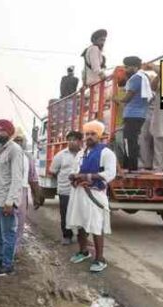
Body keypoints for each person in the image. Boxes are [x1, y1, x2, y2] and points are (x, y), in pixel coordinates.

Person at [66, 120, 117, 273]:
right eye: (87, 134)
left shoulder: (106, 153)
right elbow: (74, 169)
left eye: (93, 134)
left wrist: (86, 176)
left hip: (95, 194)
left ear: (99, 136)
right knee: (80, 224)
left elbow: (110, 174)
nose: (89, 137)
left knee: (96, 226)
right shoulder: (82, 153)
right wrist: (74, 178)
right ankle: (83, 251)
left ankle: (100, 259)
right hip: (79, 194)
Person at [0, 119, 23, 277]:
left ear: (10, 133)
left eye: (2, 131)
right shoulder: (0, 150)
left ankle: (7, 265)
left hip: (6, 202)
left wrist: (10, 202)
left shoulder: (15, 150)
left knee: (8, 233)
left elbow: (17, 179)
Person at [114, 56, 151, 171]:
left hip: (132, 114)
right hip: (140, 114)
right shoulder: (144, 77)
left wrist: (115, 99)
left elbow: (128, 97)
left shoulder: (135, 78)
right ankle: (132, 165)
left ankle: (131, 166)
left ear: (134, 67)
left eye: (127, 67)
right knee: (133, 140)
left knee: (129, 141)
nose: (125, 69)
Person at [49, 131, 82, 245]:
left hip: (81, 191)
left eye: (74, 139)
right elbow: (53, 171)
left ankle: (81, 236)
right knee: (65, 214)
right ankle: (67, 236)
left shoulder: (84, 154)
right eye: (70, 139)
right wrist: (64, 179)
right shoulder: (60, 155)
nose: (71, 142)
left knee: (81, 214)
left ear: (80, 141)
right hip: (65, 190)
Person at [12, 126, 41, 251]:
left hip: (22, 193)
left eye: (20, 140)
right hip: (4, 193)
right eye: (15, 140)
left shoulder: (28, 157)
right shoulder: (0, 155)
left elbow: (33, 179)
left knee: (19, 224)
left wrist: (36, 197)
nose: (18, 143)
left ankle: (14, 251)